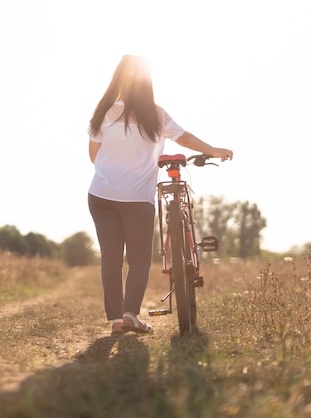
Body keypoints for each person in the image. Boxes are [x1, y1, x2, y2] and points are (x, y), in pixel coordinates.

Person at [87, 55, 233, 336]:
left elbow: (94, 156)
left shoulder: (102, 112)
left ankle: (116, 318)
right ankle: (130, 315)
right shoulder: (156, 114)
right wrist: (214, 149)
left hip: (101, 195)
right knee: (139, 260)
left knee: (111, 257)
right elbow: (184, 138)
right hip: (136, 199)